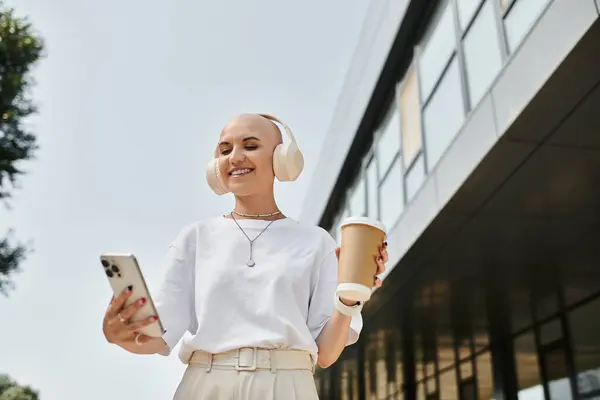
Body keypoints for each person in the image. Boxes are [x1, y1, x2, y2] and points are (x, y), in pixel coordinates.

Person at [102, 113, 388, 399]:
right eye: (225, 150)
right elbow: (158, 337)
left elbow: (325, 353)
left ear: (282, 159)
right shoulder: (195, 238)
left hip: (289, 385)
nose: (235, 157)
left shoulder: (315, 242)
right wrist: (120, 335)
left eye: (250, 146)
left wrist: (349, 299)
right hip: (206, 384)